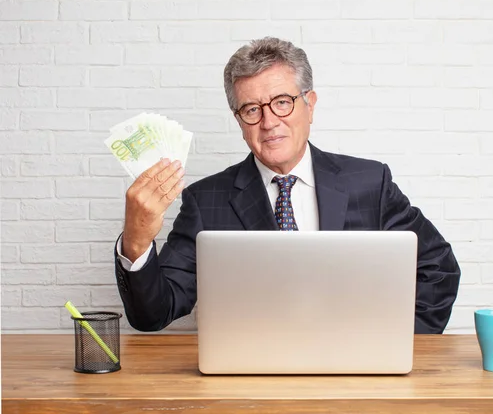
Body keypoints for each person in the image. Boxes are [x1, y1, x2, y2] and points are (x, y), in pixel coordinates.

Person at [114, 37, 461, 334]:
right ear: (239, 120)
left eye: (282, 102)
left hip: (354, 368)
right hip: (250, 374)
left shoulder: (370, 183)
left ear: (309, 105)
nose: (269, 122)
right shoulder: (207, 202)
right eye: (252, 109)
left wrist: (398, 340)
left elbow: (439, 268)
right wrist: (136, 240)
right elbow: (154, 315)